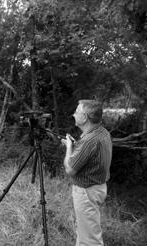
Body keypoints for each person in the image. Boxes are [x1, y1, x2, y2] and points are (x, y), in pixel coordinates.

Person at [62, 100, 112, 246]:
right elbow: (91, 155)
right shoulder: (102, 133)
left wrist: (69, 148)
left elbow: (70, 169)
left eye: (77, 111)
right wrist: (75, 146)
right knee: (85, 232)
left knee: (90, 240)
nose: (74, 114)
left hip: (86, 192)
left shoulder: (89, 141)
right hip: (98, 188)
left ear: (85, 117)